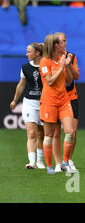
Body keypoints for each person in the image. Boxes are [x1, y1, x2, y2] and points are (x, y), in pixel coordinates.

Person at [39, 33, 77, 175]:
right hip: (49, 102)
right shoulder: (45, 62)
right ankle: (50, 166)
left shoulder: (63, 59)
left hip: (64, 100)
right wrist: (61, 66)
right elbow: (49, 81)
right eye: (62, 43)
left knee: (70, 131)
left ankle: (65, 162)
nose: (64, 45)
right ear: (56, 45)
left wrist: (66, 66)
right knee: (49, 135)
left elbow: (69, 80)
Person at [10, 42, 45, 170]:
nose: (26, 54)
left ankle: (40, 161)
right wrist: (14, 100)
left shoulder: (46, 65)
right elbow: (21, 84)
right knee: (31, 133)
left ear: (37, 53)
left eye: (29, 52)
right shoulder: (25, 67)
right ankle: (32, 162)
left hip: (44, 103)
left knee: (42, 134)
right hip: (29, 103)